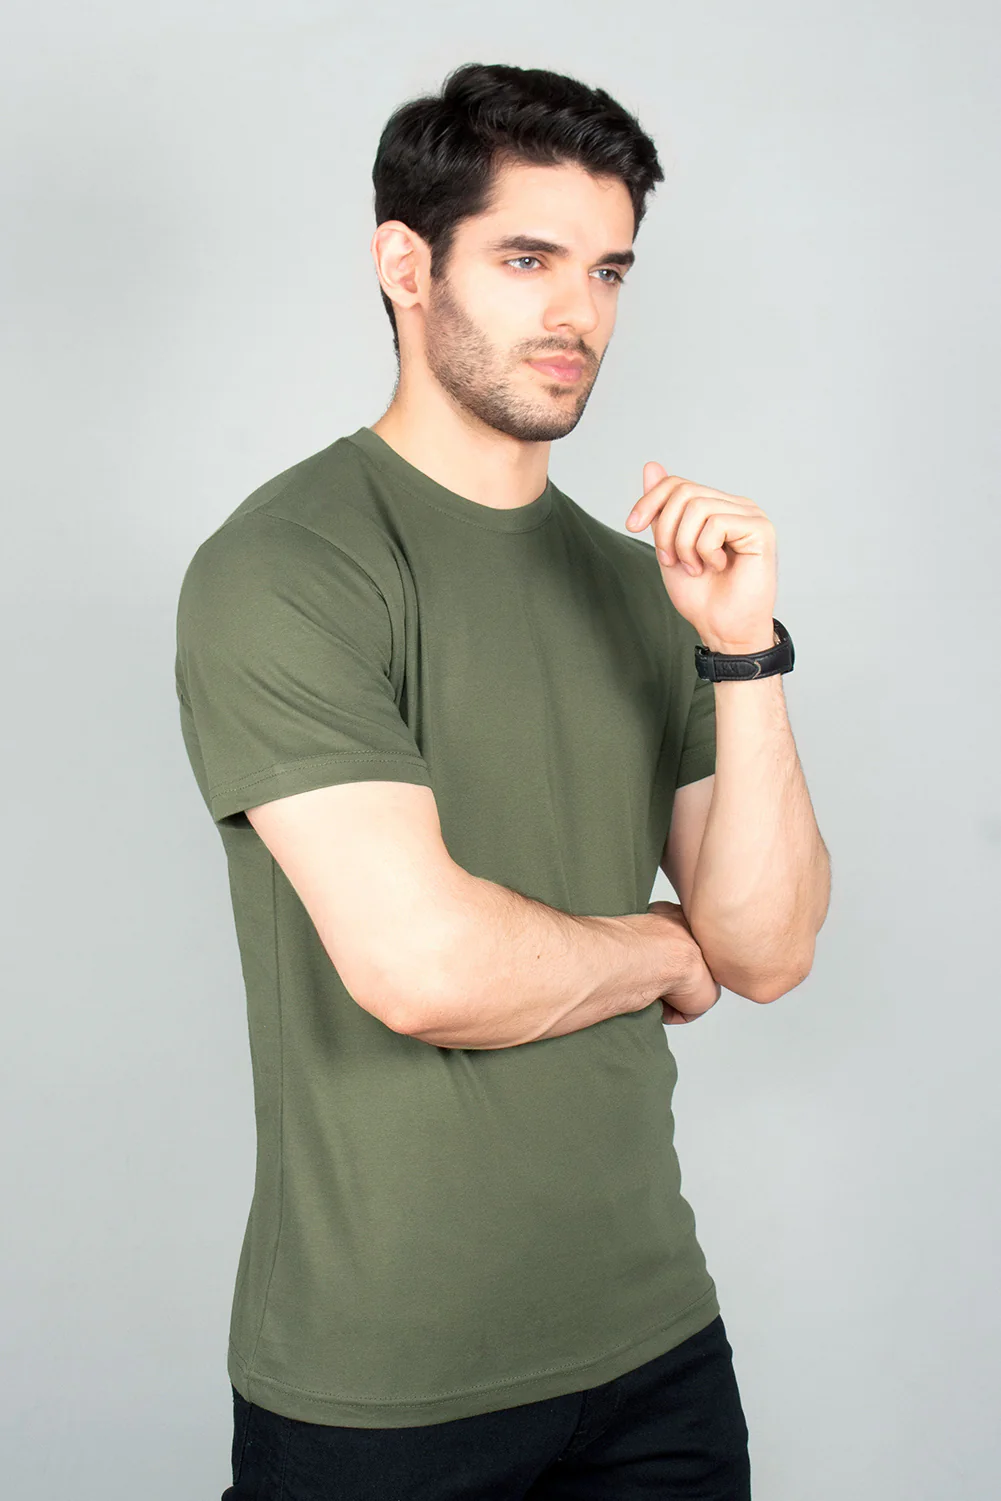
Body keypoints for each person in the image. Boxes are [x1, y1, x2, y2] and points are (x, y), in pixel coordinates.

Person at [175, 60, 830, 1501]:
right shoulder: (288, 567)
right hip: (387, 1382)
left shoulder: (643, 588)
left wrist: (745, 652)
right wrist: (665, 945)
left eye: (608, 270)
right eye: (529, 260)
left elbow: (770, 948)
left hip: (656, 1347)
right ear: (406, 266)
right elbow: (425, 971)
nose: (577, 314)